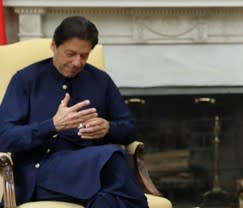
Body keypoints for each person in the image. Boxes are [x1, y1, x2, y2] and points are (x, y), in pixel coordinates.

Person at [0, 16, 148, 207]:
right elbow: (4, 137)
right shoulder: (26, 80)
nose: (77, 62)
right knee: (113, 157)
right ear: (54, 46)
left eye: (84, 56)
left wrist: (108, 128)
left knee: (106, 199)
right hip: (41, 173)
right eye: (70, 54)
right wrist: (52, 125)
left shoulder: (101, 81)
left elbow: (130, 129)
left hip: (93, 174)